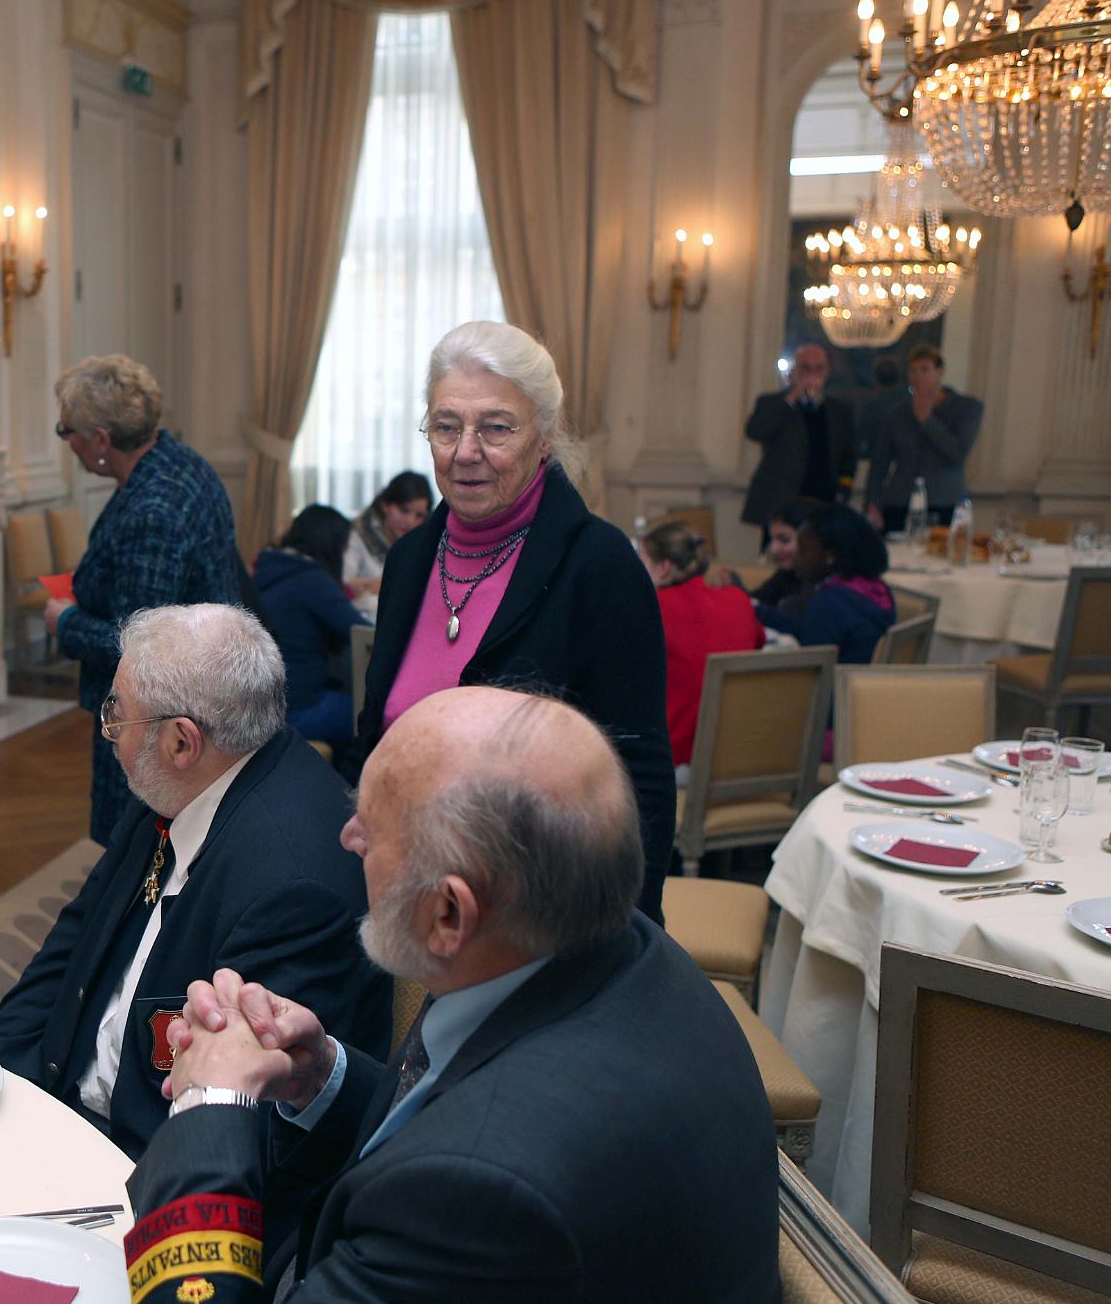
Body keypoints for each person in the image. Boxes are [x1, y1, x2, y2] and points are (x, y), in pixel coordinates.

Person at [123, 686, 779, 1304]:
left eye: (374, 826)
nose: (346, 835)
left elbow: (471, 1153)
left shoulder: (483, 1196)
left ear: (448, 912)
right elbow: (457, 1104)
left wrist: (208, 1102)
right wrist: (320, 1076)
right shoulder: (605, 943)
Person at [0, 604, 389, 1160]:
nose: (109, 732)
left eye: (116, 715)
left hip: (139, 1159)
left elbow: (241, 1127)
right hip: (58, 1099)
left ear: (181, 742)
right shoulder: (189, 779)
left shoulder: (293, 888)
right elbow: (71, 943)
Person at [356, 321, 673, 924]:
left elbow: (643, 779)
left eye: (496, 427)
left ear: (545, 436)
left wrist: (625, 935)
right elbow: (377, 732)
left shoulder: (598, 567)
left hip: (542, 917)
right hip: (402, 902)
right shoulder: (410, 559)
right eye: (446, 426)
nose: (466, 451)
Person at [44, 355, 241, 845]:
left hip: (154, 720)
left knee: (138, 854)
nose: (66, 442)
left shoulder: (154, 506)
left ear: (102, 441)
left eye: (67, 431)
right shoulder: (179, 463)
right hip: (193, 703)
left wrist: (65, 621)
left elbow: (141, 645)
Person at [640, 520, 764, 771]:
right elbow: (758, 641)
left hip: (676, 761)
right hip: (738, 759)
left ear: (664, 567)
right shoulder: (737, 599)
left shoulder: (653, 608)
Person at [249, 506, 368, 746]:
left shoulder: (269, 566)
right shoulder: (311, 579)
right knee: (372, 715)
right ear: (333, 545)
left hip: (263, 705)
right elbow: (361, 633)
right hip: (299, 708)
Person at [741, 342, 855, 545]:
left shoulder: (839, 411)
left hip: (823, 500)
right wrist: (793, 396)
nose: (812, 374)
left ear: (827, 372)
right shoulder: (772, 403)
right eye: (805, 367)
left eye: (818, 368)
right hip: (781, 501)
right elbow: (756, 431)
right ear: (794, 370)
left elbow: (848, 456)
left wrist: (843, 491)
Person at [865, 343, 984, 532]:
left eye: (925, 370)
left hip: (944, 500)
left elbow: (957, 453)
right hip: (900, 500)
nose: (918, 377)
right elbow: (880, 461)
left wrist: (927, 420)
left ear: (940, 372)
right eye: (912, 371)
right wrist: (872, 502)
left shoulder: (966, 408)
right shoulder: (898, 413)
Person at [759, 502, 896, 666]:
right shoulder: (878, 590)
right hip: (864, 684)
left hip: (835, 688)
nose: (796, 559)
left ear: (830, 557)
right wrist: (759, 611)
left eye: (803, 551)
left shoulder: (827, 605)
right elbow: (808, 628)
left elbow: (810, 674)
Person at [342, 470, 431, 613]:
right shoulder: (356, 536)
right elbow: (343, 586)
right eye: (404, 510)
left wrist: (376, 586)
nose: (410, 521)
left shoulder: (426, 544)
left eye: (419, 515)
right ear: (385, 505)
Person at [853, 354, 902, 465]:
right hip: (902, 463)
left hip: (874, 461)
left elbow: (860, 435)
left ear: (875, 378)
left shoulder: (870, 405)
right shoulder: (908, 404)